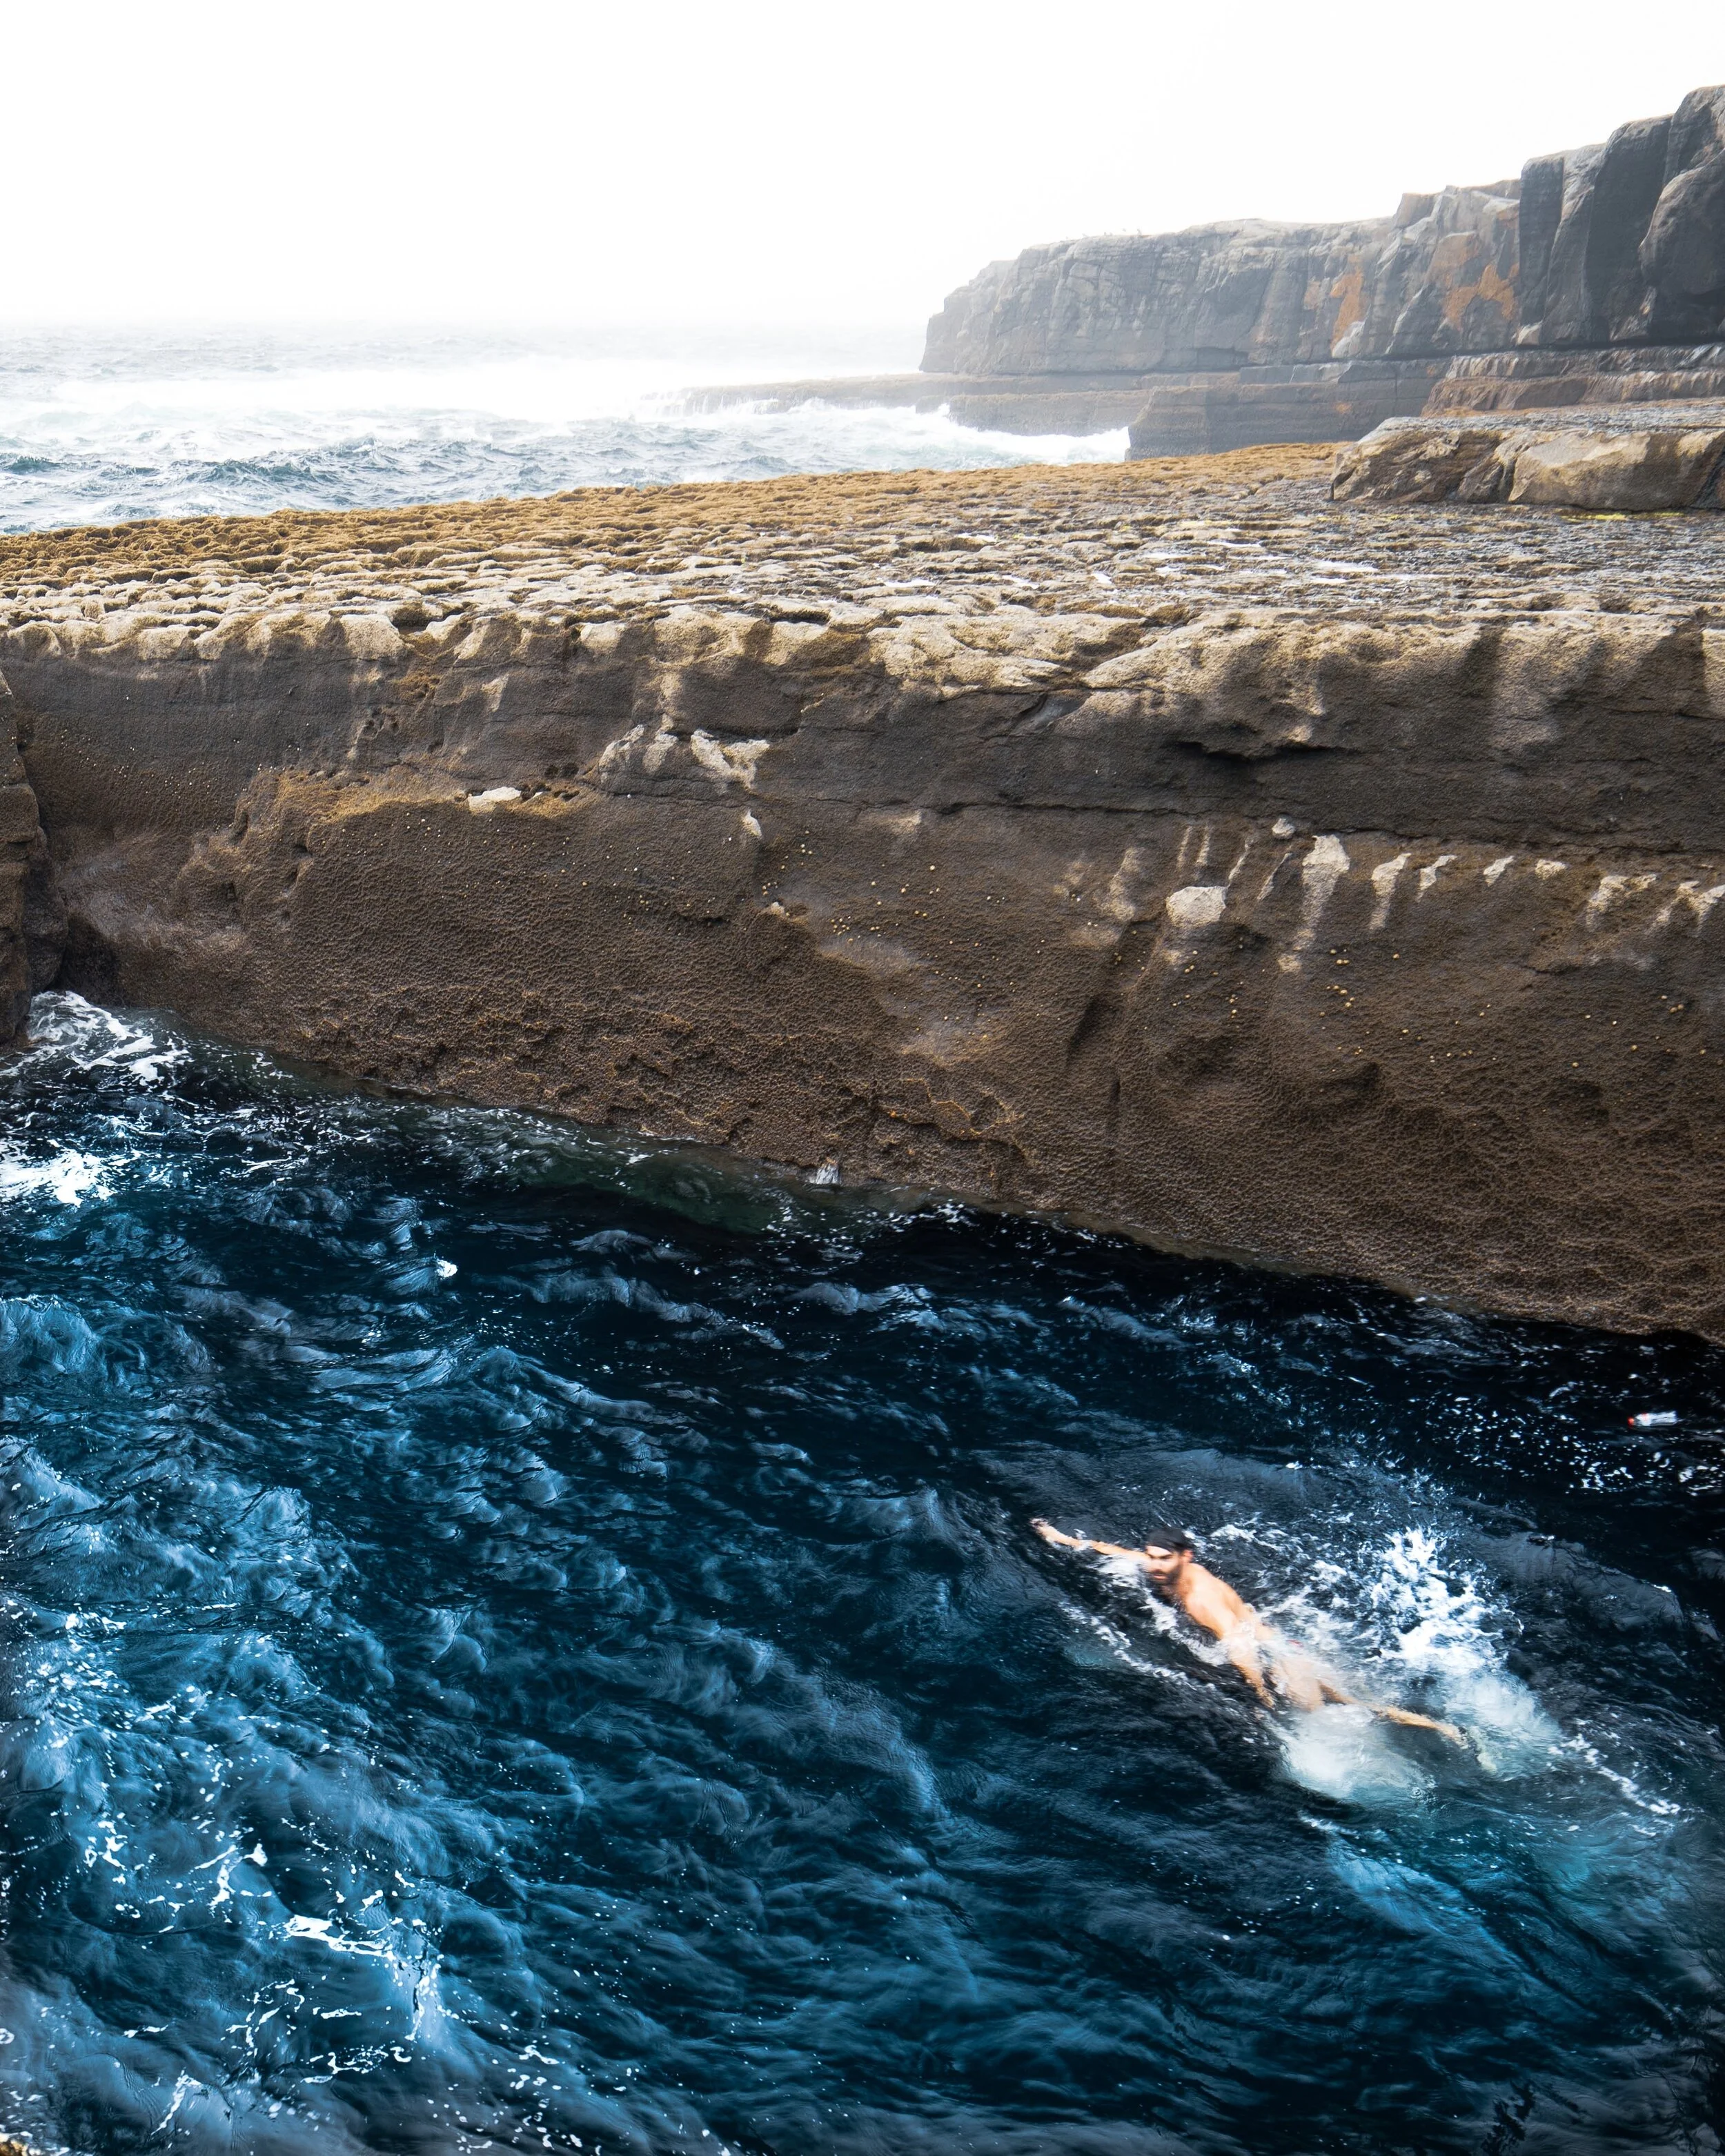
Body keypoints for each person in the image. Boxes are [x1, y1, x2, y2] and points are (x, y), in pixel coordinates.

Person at [1031, 1518, 1466, 1745]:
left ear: (1187, 1556)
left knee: (1336, 1711)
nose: (1154, 1565)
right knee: (1348, 1702)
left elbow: (1239, 1649)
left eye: (1164, 1559)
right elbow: (1115, 1551)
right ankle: (1436, 1730)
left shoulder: (1202, 1600)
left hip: (1278, 1657)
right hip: (1277, 1642)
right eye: (1152, 1557)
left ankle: (1441, 1731)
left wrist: (1261, 1699)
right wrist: (1061, 1539)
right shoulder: (1161, 1567)